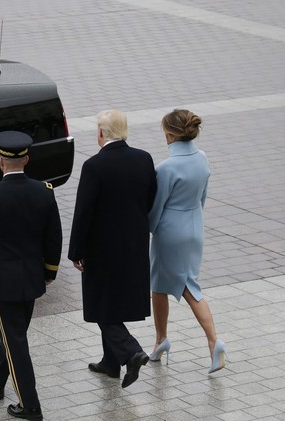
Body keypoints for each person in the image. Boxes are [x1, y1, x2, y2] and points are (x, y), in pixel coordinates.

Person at [0, 131, 62, 421]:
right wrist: (50, 271)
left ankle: (30, 406)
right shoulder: (44, 191)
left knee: (15, 340)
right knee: (15, 334)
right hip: (32, 279)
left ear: (0, 161)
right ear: (26, 160)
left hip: (4, 282)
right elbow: (53, 236)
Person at [68, 109, 156, 388]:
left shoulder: (94, 166)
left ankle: (130, 351)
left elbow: (83, 213)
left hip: (102, 249)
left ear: (101, 133)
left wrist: (75, 251)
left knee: (101, 305)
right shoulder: (144, 159)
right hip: (134, 244)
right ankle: (110, 362)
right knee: (113, 301)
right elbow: (150, 199)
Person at [148, 109, 226, 373]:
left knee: (187, 287)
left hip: (171, 231)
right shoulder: (202, 158)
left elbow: (157, 207)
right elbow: (203, 196)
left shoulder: (166, 167)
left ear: (169, 134)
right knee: (159, 284)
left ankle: (213, 341)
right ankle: (160, 340)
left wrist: (148, 228)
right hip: (194, 225)